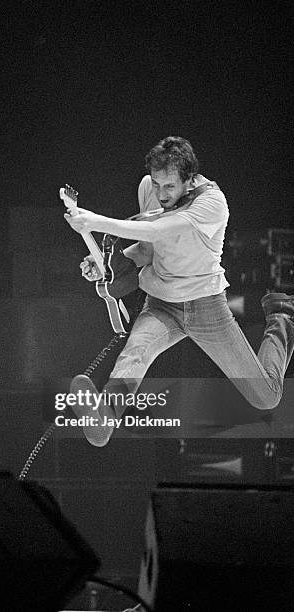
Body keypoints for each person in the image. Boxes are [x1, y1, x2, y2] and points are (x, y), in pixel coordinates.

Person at [64, 136, 294, 446]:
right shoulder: (150, 187)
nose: (160, 194)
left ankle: (283, 316)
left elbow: (159, 228)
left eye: (169, 187)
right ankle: (105, 417)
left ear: (189, 179)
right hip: (161, 304)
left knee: (266, 398)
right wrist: (102, 263)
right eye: (157, 184)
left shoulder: (212, 203)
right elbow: (147, 249)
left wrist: (96, 221)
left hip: (206, 308)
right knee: (136, 353)